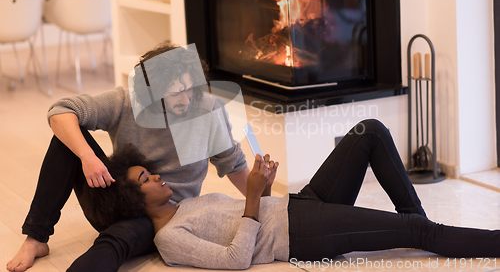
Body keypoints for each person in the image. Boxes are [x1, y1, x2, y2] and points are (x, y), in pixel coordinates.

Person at [90, 119, 500, 270]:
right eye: (146, 179)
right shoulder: (169, 241)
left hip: (298, 204)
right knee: (417, 233)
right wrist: (253, 199)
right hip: (302, 235)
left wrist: (263, 184)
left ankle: (417, 223)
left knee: (369, 131)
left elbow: (254, 212)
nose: (158, 176)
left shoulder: (186, 205)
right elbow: (236, 260)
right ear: (133, 200)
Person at [6, 43, 250, 272]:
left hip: (163, 214)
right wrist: (87, 156)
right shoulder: (125, 101)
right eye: (175, 94)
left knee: (115, 242)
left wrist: (265, 203)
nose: (185, 99)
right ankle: (36, 238)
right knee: (65, 141)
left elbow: (232, 164)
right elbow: (60, 111)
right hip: (116, 198)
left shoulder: (208, 109)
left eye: (189, 89)